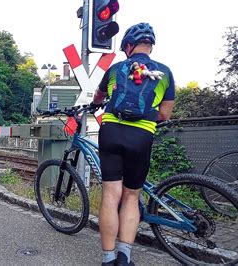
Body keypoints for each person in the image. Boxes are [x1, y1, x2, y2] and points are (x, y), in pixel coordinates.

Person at [90, 23, 175, 265]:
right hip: (141, 136)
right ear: (150, 45)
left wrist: (99, 102)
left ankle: (107, 259)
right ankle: (124, 258)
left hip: (111, 132)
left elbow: (99, 96)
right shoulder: (166, 72)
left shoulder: (116, 69)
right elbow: (165, 114)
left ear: (128, 46)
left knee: (111, 195)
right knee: (130, 196)